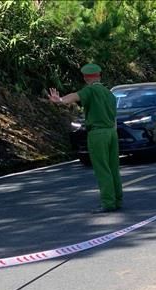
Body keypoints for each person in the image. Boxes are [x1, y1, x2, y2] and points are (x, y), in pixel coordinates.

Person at [48, 63, 122, 213]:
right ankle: (118, 199)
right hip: (112, 133)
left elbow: (75, 96)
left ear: (85, 77)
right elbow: (114, 117)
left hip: (97, 133)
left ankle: (108, 202)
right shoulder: (110, 94)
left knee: (102, 168)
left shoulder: (90, 91)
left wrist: (60, 100)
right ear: (99, 76)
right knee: (114, 167)